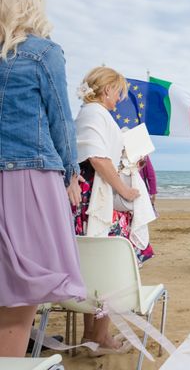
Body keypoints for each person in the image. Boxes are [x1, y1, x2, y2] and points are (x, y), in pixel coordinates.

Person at [0, 0, 85, 357]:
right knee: (21, 294)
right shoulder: (42, 52)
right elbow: (60, 121)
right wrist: (70, 174)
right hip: (28, 178)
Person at [72, 66, 157, 355]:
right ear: (107, 88)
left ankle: (92, 335)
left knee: (92, 266)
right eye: (119, 91)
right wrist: (125, 189)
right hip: (99, 199)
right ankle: (101, 337)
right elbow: (97, 159)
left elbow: (108, 155)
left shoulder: (95, 113)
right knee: (105, 267)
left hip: (94, 196)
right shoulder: (94, 113)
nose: (120, 98)